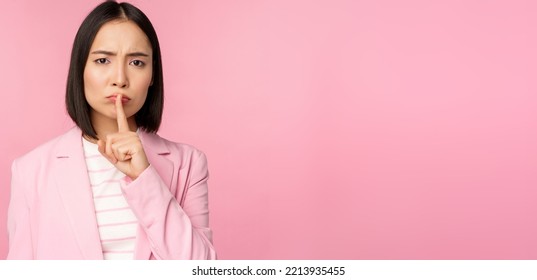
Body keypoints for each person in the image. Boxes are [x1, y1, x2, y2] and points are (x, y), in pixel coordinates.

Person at [7, 1, 216, 260]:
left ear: (153, 75)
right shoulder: (30, 170)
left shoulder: (189, 164)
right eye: (103, 60)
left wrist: (144, 176)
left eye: (137, 62)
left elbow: (202, 269)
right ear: (80, 68)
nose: (120, 78)